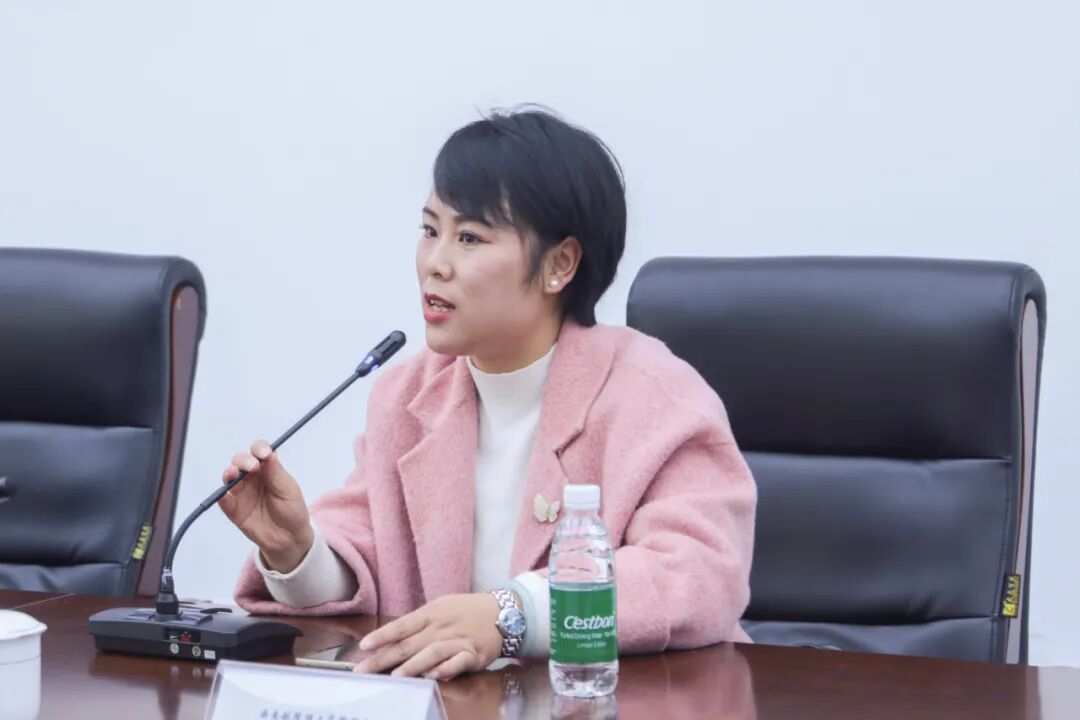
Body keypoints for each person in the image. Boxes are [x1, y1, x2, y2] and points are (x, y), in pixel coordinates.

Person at [224, 107, 756, 681]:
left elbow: (700, 574)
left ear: (559, 264)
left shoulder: (655, 395)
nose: (435, 264)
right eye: (430, 231)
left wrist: (512, 613)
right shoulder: (406, 396)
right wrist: (297, 551)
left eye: (470, 238)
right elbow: (370, 554)